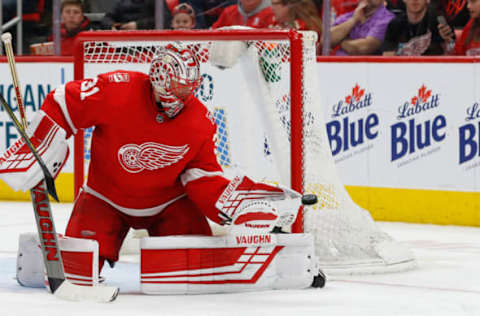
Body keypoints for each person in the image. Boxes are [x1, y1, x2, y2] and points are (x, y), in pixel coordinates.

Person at [0, 43, 302, 272]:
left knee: (196, 266)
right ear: (158, 77)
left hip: (169, 205)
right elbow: (65, 103)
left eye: (188, 88)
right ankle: (40, 256)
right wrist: (40, 142)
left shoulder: (200, 120)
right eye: (176, 87)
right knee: (78, 268)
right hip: (104, 199)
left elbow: (203, 177)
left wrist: (238, 204)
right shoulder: (118, 89)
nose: (183, 96)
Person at [382, 0, 455, 56]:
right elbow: (387, 56)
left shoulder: (439, 21)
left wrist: (448, 41)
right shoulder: (395, 24)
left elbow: (453, 51)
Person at [330, 0, 395, 55]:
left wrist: (340, 41)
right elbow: (327, 41)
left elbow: (364, 47)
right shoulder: (348, 16)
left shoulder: (387, 18)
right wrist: (354, 20)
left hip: (365, 67)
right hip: (337, 66)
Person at [100, 0, 172, 30]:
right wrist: (112, 26)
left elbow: (165, 20)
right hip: (124, 44)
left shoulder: (157, 1)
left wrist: (138, 25)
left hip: (149, 44)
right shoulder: (122, 2)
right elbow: (107, 18)